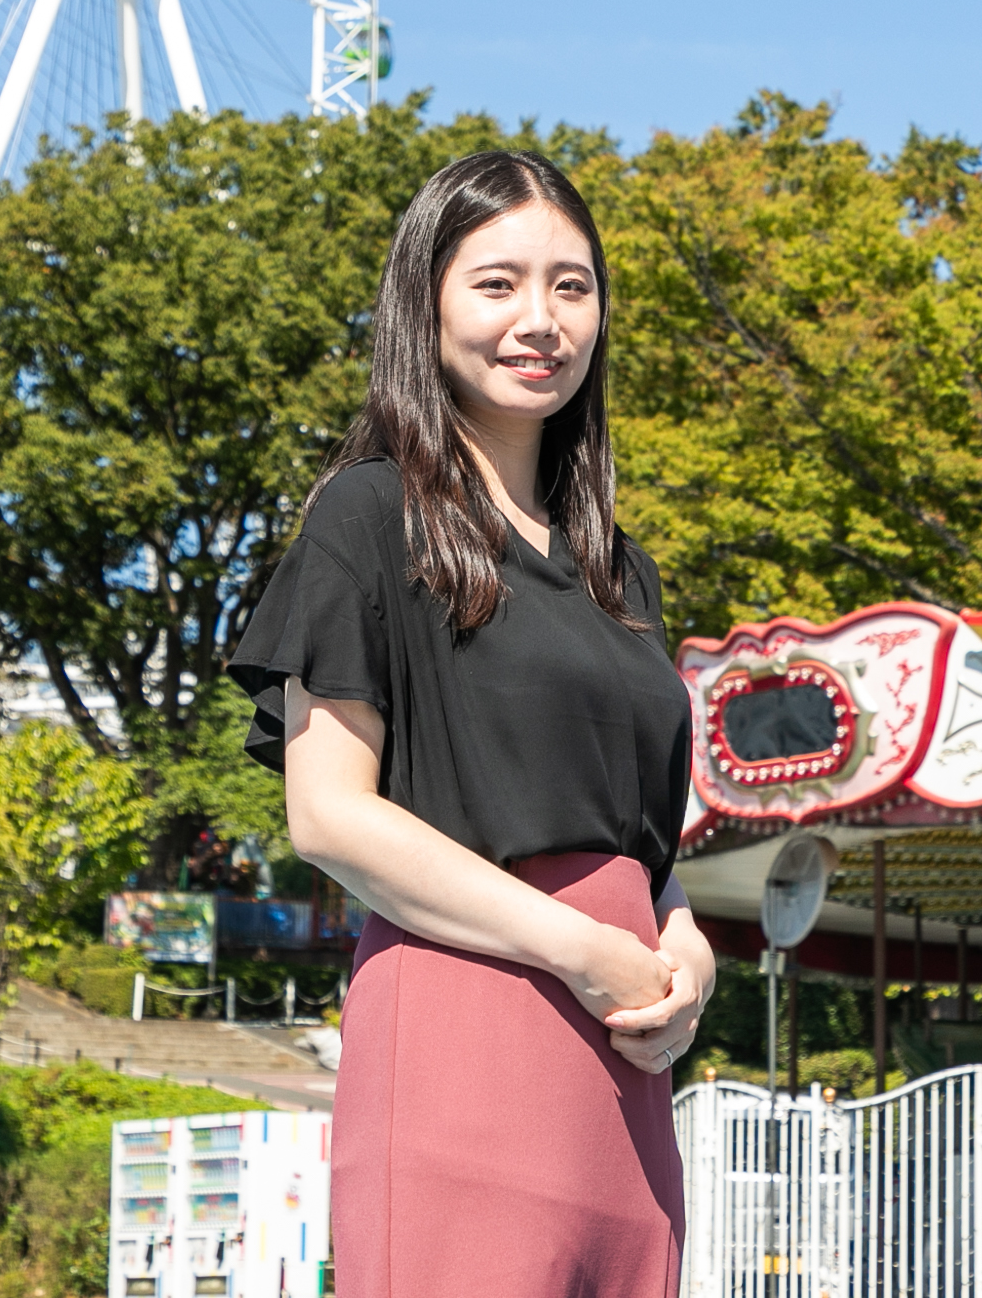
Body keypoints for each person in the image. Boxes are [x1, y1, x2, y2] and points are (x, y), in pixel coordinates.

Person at [230, 150, 710, 1297]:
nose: (539, 318)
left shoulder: (617, 571)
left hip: (628, 1063)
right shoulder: (367, 515)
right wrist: (574, 945)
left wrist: (686, 952)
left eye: (571, 285)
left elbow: (647, 843)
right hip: (466, 1026)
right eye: (497, 283)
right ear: (426, 302)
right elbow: (329, 815)